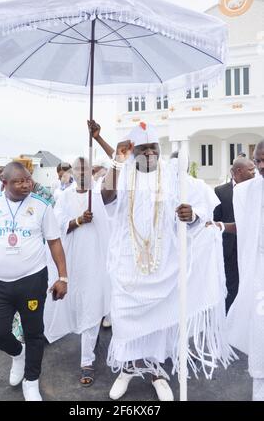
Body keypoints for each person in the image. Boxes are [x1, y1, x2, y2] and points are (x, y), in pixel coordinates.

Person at [100, 122, 234, 401]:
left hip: (165, 264)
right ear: (133, 151)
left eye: (153, 147)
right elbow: (106, 197)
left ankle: (157, 373)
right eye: (143, 148)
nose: (149, 152)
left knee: (161, 324)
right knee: (125, 320)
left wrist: (192, 215)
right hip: (128, 263)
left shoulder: (173, 175)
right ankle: (127, 369)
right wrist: (116, 158)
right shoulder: (122, 173)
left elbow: (202, 204)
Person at [0, 162, 68, 401]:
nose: (26, 185)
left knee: (34, 333)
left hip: (32, 280)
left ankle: (31, 381)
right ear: (4, 183)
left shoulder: (42, 206)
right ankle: (18, 353)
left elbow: (54, 242)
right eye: (19, 181)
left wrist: (63, 277)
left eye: (28, 180)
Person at [44, 157, 111, 387]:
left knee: (92, 306)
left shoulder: (100, 194)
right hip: (72, 260)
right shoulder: (64, 196)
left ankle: (87, 361)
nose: (82, 173)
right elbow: (58, 225)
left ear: (92, 172)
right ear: (73, 171)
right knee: (75, 305)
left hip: (96, 260)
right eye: (79, 169)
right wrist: (79, 220)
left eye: (87, 169)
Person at [226, 140, 264, 401]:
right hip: (259, 273)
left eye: (263, 160)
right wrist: (214, 225)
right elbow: (244, 227)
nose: (260, 166)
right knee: (260, 337)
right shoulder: (247, 191)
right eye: (257, 160)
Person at [213, 157, 255, 313]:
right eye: (251, 170)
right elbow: (215, 221)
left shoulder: (256, 189)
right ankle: (228, 321)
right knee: (232, 288)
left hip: (251, 248)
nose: (254, 172)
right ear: (239, 171)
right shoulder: (220, 191)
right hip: (229, 250)